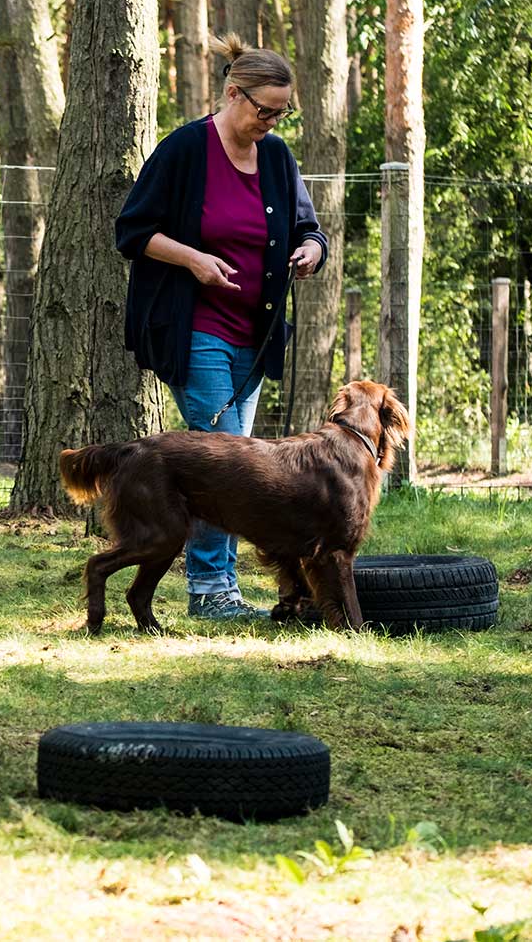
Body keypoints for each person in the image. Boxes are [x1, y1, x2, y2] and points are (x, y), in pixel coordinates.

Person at [114, 33, 328, 622]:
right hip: (195, 329)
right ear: (234, 94)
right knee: (229, 463)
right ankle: (211, 590)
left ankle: (226, 585)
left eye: (282, 113)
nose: (272, 121)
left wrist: (311, 250)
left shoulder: (277, 157)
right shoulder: (184, 150)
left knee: (238, 465)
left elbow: (310, 227)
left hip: (252, 338)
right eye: (265, 110)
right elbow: (132, 232)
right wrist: (192, 258)